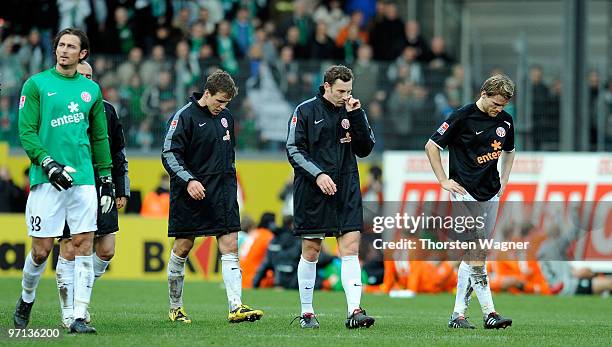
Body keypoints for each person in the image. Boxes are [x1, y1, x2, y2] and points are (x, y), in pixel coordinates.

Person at [14, 27, 114, 334]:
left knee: (84, 243)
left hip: (83, 178)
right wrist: (48, 163)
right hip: (46, 179)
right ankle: (26, 298)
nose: (64, 50)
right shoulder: (36, 85)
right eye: (61, 45)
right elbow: (27, 132)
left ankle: (78, 317)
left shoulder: (92, 91)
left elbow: (98, 136)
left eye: (71, 46)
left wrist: (106, 177)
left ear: (82, 54)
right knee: (42, 250)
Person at [161, 70, 264, 324]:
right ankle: (176, 307)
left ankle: (236, 307)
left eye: (226, 103)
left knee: (230, 246)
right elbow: (169, 154)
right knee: (183, 248)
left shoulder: (226, 117)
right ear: (206, 94)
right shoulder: (184, 117)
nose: (222, 107)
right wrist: (189, 180)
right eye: (219, 101)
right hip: (190, 194)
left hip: (223, 194)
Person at [286, 65, 376, 329]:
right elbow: (293, 149)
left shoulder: (353, 110)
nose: (345, 96)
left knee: (350, 249)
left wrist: (357, 115)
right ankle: (306, 312)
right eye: (340, 91)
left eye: (349, 91)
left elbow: (366, 148)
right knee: (311, 250)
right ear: (326, 86)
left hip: (347, 188)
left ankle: (354, 311)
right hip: (313, 191)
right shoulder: (304, 111)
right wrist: (318, 175)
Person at [425, 74, 516, 330]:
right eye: (496, 104)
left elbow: (509, 151)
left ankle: (458, 315)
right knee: (476, 250)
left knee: (474, 253)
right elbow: (432, 146)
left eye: (503, 106)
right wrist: (443, 180)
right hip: (464, 193)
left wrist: (504, 181)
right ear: (484, 94)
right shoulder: (461, 117)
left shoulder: (505, 121)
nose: (499, 110)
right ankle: (490, 312)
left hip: (490, 192)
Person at [55, 61, 130, 329]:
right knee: (69, 247)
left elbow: (118, 151)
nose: (86, 79)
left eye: (89, 76)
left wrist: (121, 187)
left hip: (102, 183)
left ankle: (80, 295)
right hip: (70, 183)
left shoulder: (107, 110)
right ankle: (70, 311)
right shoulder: (62, 106)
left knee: (107, 250)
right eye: (81, 75)